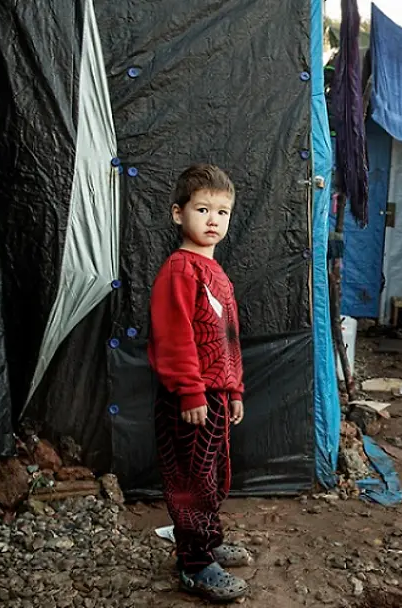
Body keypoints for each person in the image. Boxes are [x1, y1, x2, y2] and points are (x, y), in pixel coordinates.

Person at [148, 164, 251, 602]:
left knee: (212, 475)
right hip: (188, 397)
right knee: (191, 480)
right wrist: (191, 390)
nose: (213, 220)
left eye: (223, 212)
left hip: (215, 395)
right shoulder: (179, 270)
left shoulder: (218, 274)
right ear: (178, 214)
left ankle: (207, 543)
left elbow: (227, 340)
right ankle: (193, 565)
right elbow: (175, 336)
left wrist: (233, 390)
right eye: (203, 209)